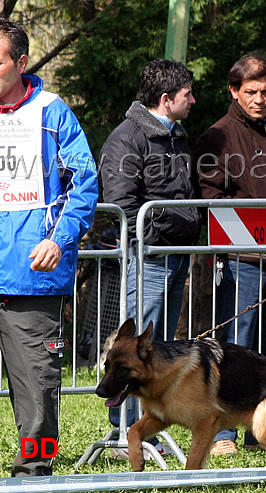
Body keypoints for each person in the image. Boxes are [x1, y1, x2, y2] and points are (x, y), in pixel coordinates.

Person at [0, 18, 98, 476]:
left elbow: (84, 181)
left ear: (20, 63)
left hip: (31, 275)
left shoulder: (53, 111)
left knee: (38, 392)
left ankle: (35, 476)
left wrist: (59, 240)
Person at [195, 51, 266, 456]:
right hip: (241, 260)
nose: (260, 99)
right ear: (234, 92)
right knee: (233, 351)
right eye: (252, 91)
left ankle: (262, 433)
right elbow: (210, 200)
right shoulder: (216, 136)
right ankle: (223, 436)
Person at [100, 58, 201, 454]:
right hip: (150, 257)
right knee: (133, 351)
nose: (193, 100)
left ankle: (146, 428)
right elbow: (121, 203)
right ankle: (125, 429)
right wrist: (154, 238)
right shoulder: (126, 139)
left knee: (155, 350)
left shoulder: (176, 136)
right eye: (187, 94)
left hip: (176, 254)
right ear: (166, 98)